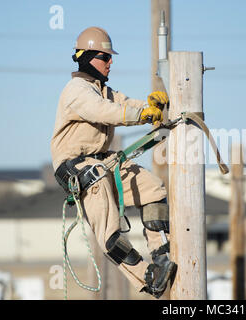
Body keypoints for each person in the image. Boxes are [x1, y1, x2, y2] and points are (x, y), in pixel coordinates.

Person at [51, 26, 176, 298]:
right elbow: (107, 112)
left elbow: (126, 103)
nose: (110, 62)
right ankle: (147, 276)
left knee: (154, 189)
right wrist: (143, 114)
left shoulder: (104, 91)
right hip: (79, 166)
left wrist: (152, 105)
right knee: (109, 233)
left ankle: (161, 254)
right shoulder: (77, 91)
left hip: (104, 161)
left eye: (110, 57)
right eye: (104, 57)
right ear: (86, 58)